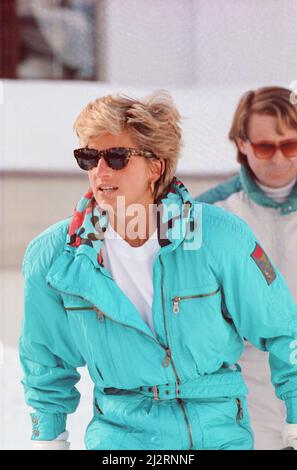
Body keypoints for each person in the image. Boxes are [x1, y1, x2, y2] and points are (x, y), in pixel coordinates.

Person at [19, 90, 297, 450]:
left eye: (116, 157)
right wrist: (47, 438)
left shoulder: (219, 236)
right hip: (121, 438)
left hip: (216, 432)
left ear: (156, 166)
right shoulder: (54, 256)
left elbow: (283, 331)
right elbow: (45, 360)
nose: (100, 171)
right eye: (88, 157)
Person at [196, 86, 297, 449]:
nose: (280, 158)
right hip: (246, 394)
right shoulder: (209, 215)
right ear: (242, 143)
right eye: (266, 146)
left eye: (291, 144)